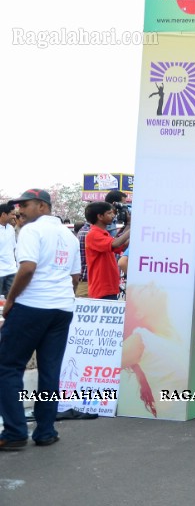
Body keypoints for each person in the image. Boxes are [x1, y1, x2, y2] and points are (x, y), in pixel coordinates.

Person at [0, 189, 79, 450]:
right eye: (18, 206)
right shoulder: (69, 236)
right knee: (50, 370)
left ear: (42, 207)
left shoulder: (32, 231)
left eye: (26, 205)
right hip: (62, 308)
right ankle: (45, 431)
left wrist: (10, 301)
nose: (20, 210)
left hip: (32, 306)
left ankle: (14, 433)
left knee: (7, 366)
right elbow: (75, 277)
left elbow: (27, 268)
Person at [83, 202, 131, 300]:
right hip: (101, 289)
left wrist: (129, 224)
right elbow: (116, 244)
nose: (113, 215)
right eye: (109, 213)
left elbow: (122, 244)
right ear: (100, 216)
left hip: (108, 287)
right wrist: (133, 228)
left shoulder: (103, 233)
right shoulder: (93, 234)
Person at [0, 203, 16, 296]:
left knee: (12, 300)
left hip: (12, 271)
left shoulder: (11, 229)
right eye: (12, 214)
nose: (14, 217)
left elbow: (14, 249)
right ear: (3, 214)